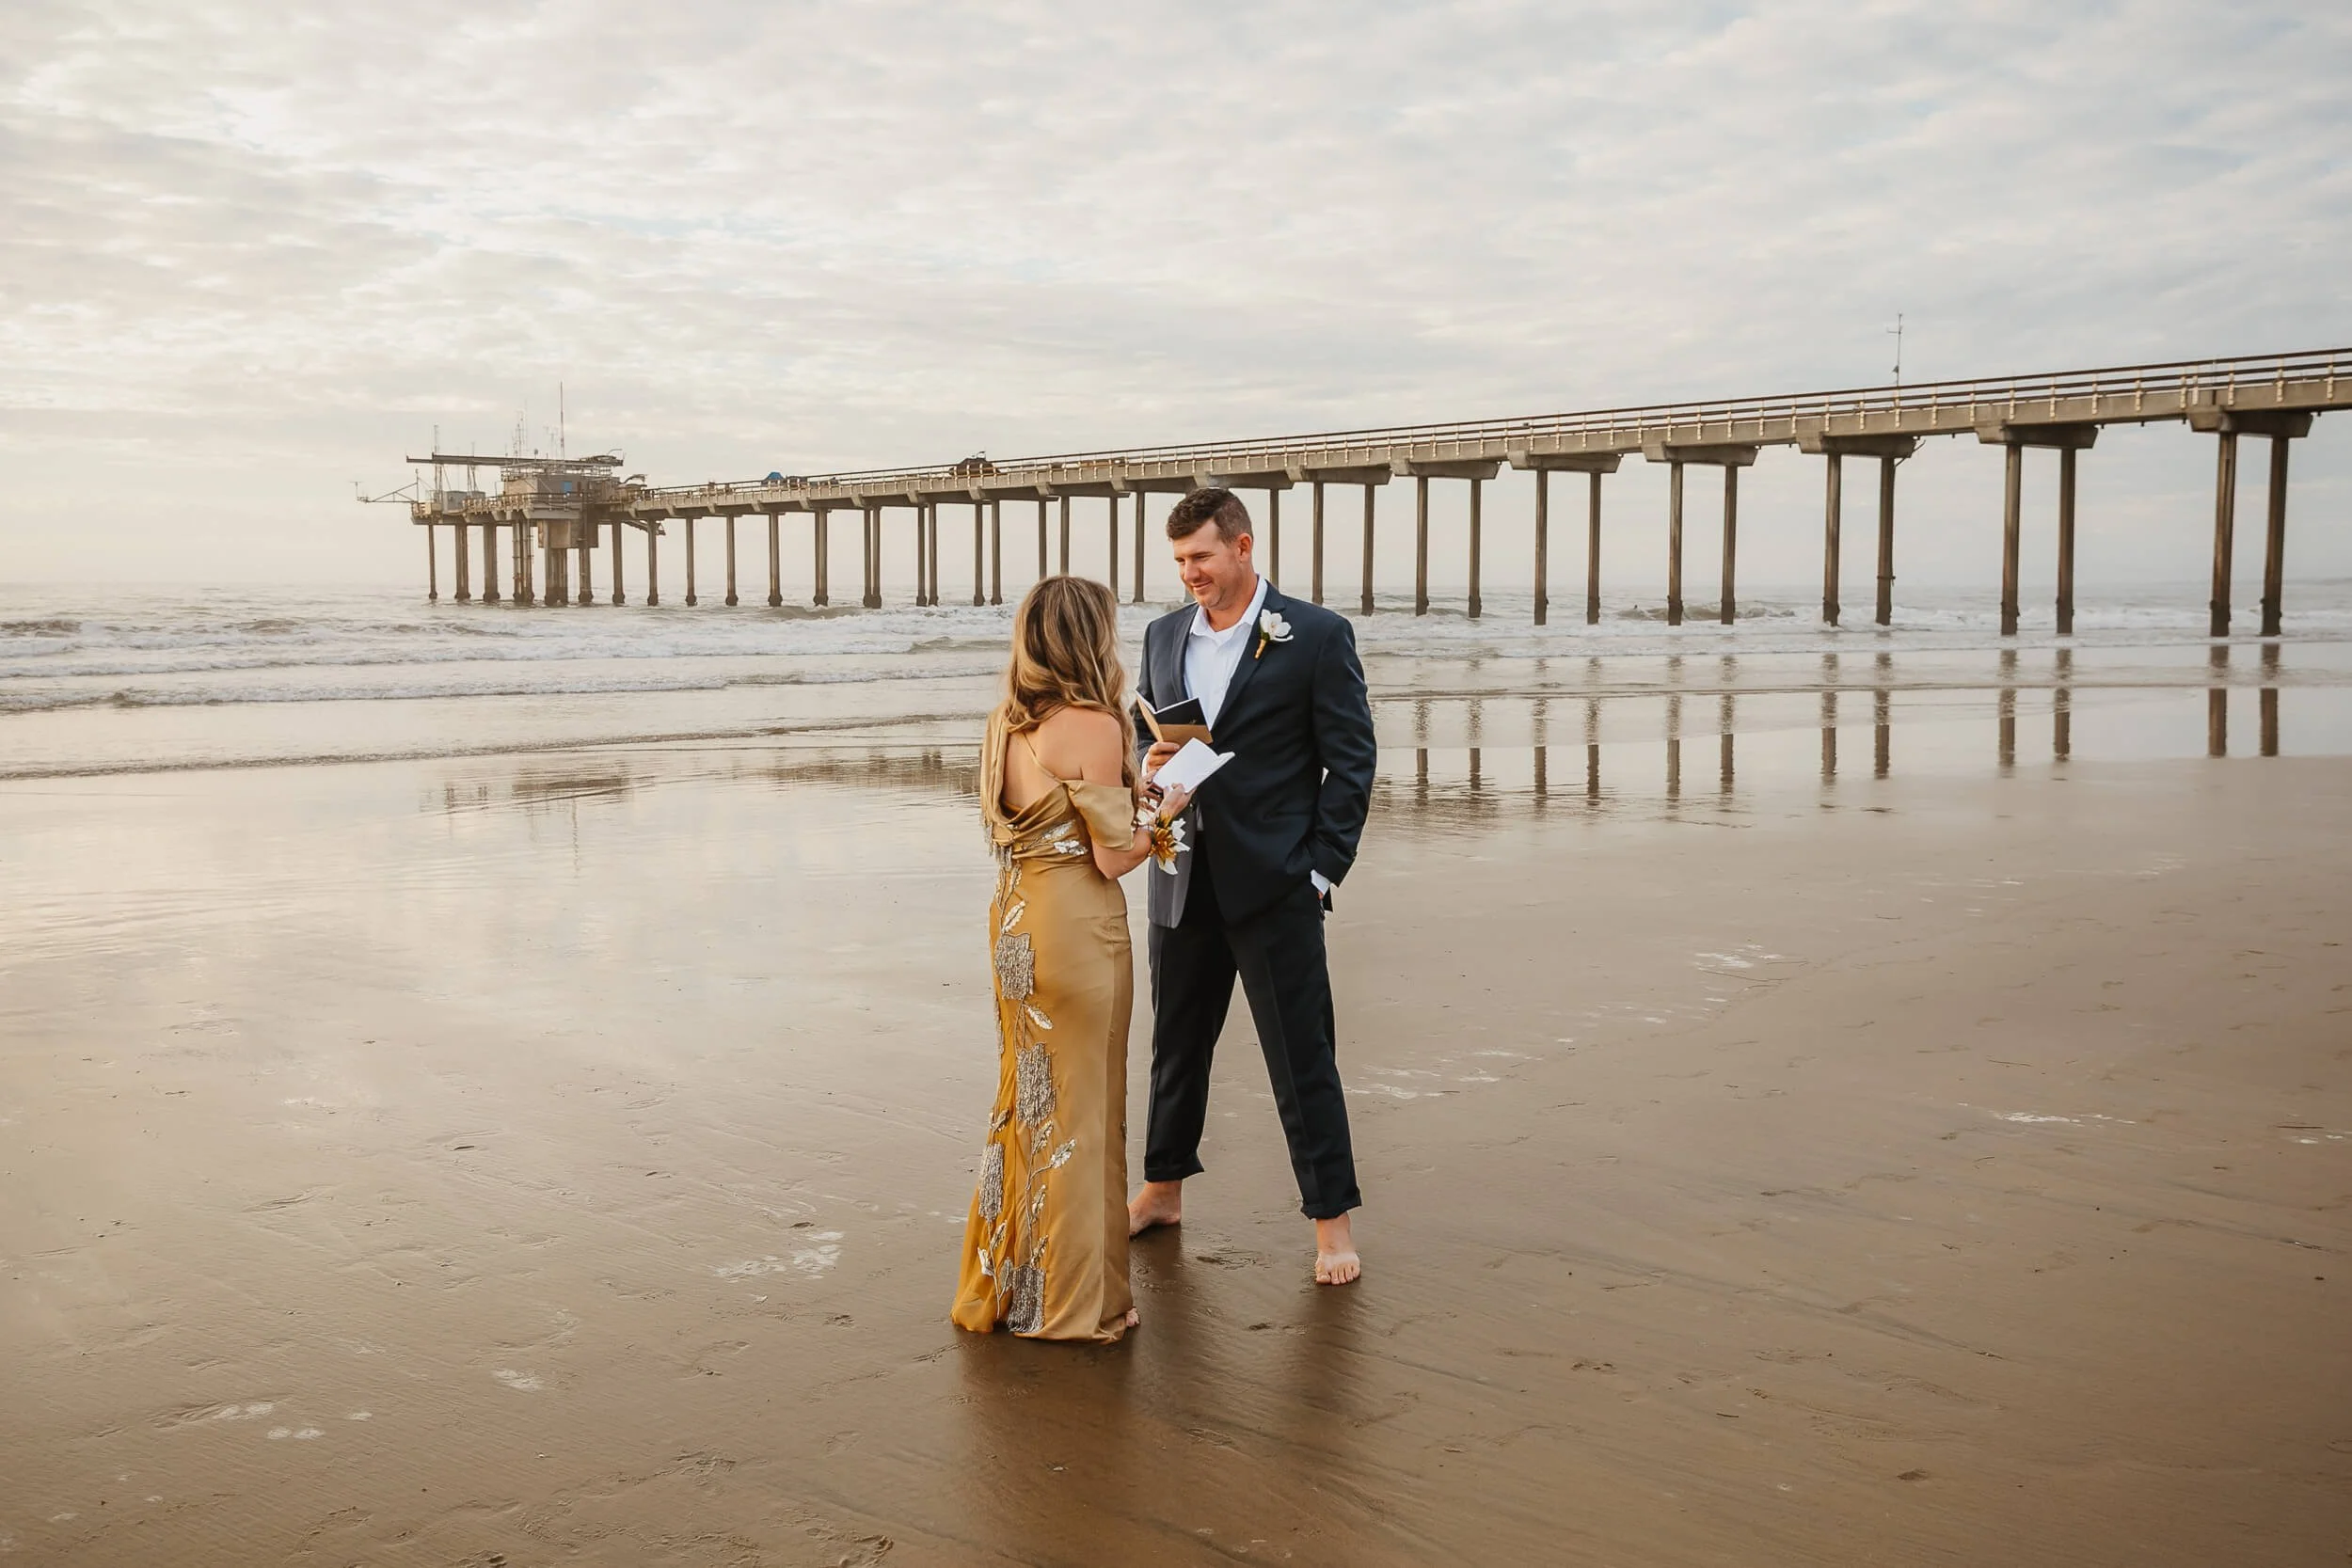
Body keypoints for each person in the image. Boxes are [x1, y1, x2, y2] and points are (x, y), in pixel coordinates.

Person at [1127, 488, 1378, 1285]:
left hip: (1276, 884)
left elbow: (1353, 760)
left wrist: (1318, 868)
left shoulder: (1316, 635)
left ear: (1242, 546)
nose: (1189, 573)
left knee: (1302, 1058)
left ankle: (1331, 1224)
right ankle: (1162, 1189)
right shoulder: (1164, 633)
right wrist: (1146, 766)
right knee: (1175, 1049)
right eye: (1178, 562)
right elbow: (1145, 732)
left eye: (1200, 556)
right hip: (1180, 873)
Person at [952, 576, 1192, 1342]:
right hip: (1079, 931)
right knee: (1083, 1116)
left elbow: (1042, 827)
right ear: (1091, 638)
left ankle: (1009, 1287)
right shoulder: (1094, 722)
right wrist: (1167, 803)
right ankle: (1077, 1309)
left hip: (1015, 926)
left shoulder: (1002, 725)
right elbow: (1113, 856)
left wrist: (1134, 797)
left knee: (1026, 1104)